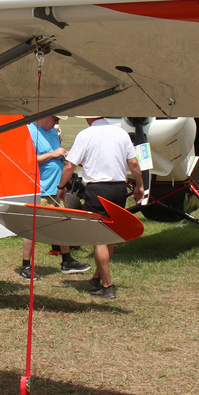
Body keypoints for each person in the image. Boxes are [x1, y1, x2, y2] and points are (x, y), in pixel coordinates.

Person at [60, 116, 145, 299]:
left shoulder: (86, 134)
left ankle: (107, 286)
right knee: (110, 235)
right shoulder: (121, 133)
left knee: (99, 238)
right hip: (119, 189)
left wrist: (61, 187)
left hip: (97, 189)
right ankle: (97, 278)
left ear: (89, 117)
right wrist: (140, 185)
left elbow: (69, 165)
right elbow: (135, 163)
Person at [18, 114, 92, 279]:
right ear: (44, 117)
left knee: (62, 224)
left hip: (56, 189)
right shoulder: (29, 132)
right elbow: (27, 161)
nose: (57, 123)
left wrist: (62, 156)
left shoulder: (51, 131)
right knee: (32, 229)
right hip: (40, 189)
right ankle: (26, 266)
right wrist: (53, 154)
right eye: (55, 119)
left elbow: (54, 153)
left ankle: (67, 260)